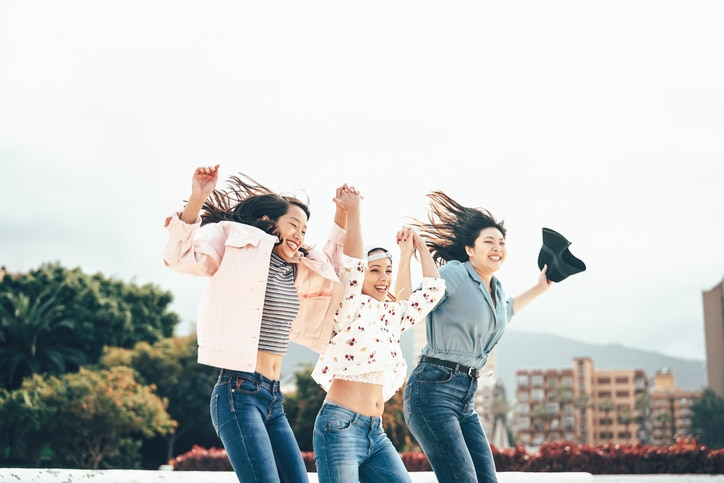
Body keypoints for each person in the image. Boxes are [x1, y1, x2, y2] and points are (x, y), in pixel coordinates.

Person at [162, 164, 357, 483]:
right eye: (294, 225)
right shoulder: (237, 245)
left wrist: (343, 213)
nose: (300, 235)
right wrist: (197, 198)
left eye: (305, 230)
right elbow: (179, 257)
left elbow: (334, 266)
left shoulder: (299, 265)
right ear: (269, 222)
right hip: (239, 392)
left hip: (273, 398)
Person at [403, 191, 552, 483]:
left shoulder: (495, 289)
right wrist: (417, 253)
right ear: (470, 249)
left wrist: (540, 288)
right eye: (489, 241)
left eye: (502, 243)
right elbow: (422, 297)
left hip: (465, 395)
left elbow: (506, 311)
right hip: (433, 389)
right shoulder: (456, 273)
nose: (497, 247)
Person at [311, 192, 445, 482]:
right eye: (376, 271)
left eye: (388, 271)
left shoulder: (391, 317)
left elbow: (433, 291)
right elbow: (353, 265)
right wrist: (354, 212)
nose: (383, 278)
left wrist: (418, 248)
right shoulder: (349, 307)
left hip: (376, 431)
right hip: (339, 426)